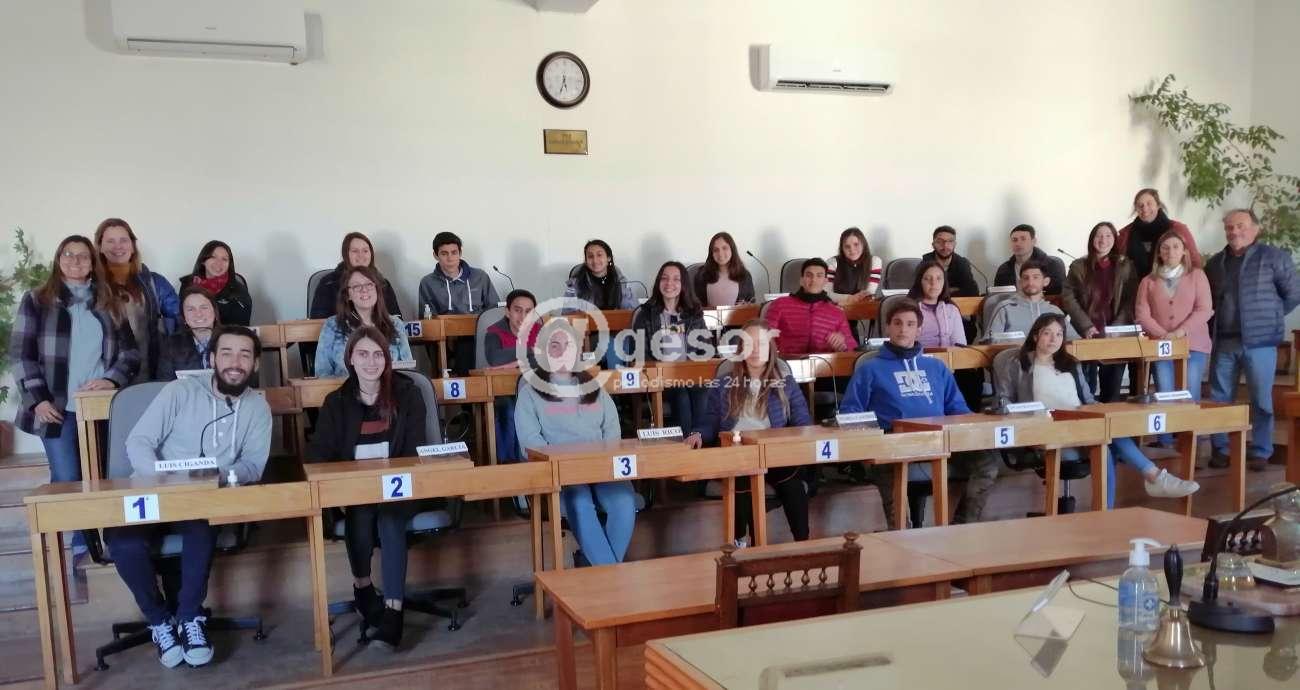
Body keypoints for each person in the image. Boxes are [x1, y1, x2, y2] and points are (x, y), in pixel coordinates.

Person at [104, 325, 270, 669]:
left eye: (244, 355)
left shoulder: (257, 407)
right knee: (123, 543)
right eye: (226, 353)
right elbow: (139, 442)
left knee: (201, 528)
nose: (235, 362)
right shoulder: (180, 391)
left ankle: (190, 617)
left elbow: (254, 465)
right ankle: (159, 621)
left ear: (255, 364)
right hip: (152, 491)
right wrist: (162, 481)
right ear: (212, 359)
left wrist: (218, 477)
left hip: (203, 499)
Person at [11, 235, 139, 558]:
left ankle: (102, 538)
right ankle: (80, 542)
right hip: (55, 407)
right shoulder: (37, 300)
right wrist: (38, 399)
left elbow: (130, 354)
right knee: (68, 476)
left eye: (83, 256)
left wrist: (110, 379)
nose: (75, 261)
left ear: (93, 264)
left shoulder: (110, 301)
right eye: (68, 254)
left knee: (103, 474)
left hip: (100, 408)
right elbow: (21, 355)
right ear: (59, 259)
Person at [993, 314, 1199, 507]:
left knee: (1107, 434)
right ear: (1036, 336)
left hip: (1079, 421)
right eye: (1047, 333)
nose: (1053, 339)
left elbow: (1088, 399)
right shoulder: (1018, 364)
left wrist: (1101, 411)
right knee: (1104, 442)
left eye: (1059, 334)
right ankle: (1152, 479)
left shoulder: (1070, 363)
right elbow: (1004, 400)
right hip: (1045, 428)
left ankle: (1116, 503)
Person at [307, 327, 428, 649]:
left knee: (389, 517)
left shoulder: (408, 394)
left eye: (378, 355)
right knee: (360, 512)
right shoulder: (336, 402)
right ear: (350, 359)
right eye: (363, 354)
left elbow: (415, 450)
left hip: (402, 488)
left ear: (387, 360)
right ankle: (363, 588)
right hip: (357, 490)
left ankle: (393, 612)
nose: (371, 362)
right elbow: (318, 455)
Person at [840, 298, 1000, 527]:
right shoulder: (870, 369)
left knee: (987, 463)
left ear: (919, 330)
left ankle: (961, 526)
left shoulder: (936, 367)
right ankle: (900, 535)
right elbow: (850, 412)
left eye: (910, 324)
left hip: (940, 439)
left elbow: (958, 409)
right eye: (897, 323)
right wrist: (875, 437)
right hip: (892, 443)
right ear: (887, 327)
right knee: (888, 476)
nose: (903, 329)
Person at [515, 325, 634, 567]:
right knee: (580, 504)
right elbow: (530, 443)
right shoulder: (529, 393)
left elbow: (612, 431)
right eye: (554, 346)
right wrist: (566, 466)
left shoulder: (595, 388)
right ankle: (610, 576)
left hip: (602, 469)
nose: (561, 353)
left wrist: (603, 461)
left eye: (567, 346)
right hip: (561, 475)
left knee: (624, 502)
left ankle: (593, 566)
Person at [686, 319, 812, 544]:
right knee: (743, 484)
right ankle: (743, 542)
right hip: (737, 452)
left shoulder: (785, 382)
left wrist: (806, 437)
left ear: (770, 349)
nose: (755, 350)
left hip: (774, 453)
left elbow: (802, 419)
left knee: (793, 485)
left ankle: (804, 544)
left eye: (760, 344)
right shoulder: (723, 384)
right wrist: (698, 434)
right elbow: (710, 420)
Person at [1205, 209, 1300, 470]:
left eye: (1240, 226)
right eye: (1229, 227)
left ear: (1256, 229)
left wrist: (1270, 316)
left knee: (1261, 400)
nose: (1234, 231)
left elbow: (1294, 294)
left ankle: (1261, 451)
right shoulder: (1215, 264)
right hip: (1224, 342)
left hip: (1261, 343)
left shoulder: (1275, 258)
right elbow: (1208, 302)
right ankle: (1221, 449)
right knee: (1219, 399)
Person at [1135, 231, 1213, 409]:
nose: (1170, 251)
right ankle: (1168, 429)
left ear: (1184, 251)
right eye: (1165, 248)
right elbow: (1142, 315)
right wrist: (1164, 335)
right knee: (1165, 395)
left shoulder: (1197, 276)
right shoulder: (1148, 281)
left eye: (1176, 247)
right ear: (1159, 252)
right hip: (1161, 345)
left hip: (1193, 344)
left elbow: (1204, 309)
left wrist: (1179, 332)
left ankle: (1190, 427)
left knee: (1190, 395)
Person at [1061, 222, 1138, 401]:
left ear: (1115, 240)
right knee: (1084, 390)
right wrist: (1086, 326)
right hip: (1086, 333)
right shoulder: (1078, 266)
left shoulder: (1125, 266)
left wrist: (1117, 328)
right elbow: (1068, 297)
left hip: (1115, 335)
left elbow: (1130, 299)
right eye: (1099, 235)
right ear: (1092, 239)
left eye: (1108, 235)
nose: (1103, 240)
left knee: (1111, 392)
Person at [633, 262, 712, 434]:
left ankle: (700, 439)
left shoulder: (693, 313)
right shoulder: (645, 314)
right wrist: (660, 371)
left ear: (684, 285)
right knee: (680, 394)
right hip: (662, 377)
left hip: (691, 374)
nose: (669, 283)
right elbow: (640, 353)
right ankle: (684, 444)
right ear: (658, 282)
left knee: (703, 391)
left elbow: (705, 348)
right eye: (665, 278)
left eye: (676, 279)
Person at [95, 218, 179, 381]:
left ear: (133, 246)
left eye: (123, 240)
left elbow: (180, 322)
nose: (118, 246)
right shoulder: (91, 286)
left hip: (151, 375)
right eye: (110, 241)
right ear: (100, 247)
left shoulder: (155, 283)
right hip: (105, 379)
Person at [908, 260, 982, 409]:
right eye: (928, 279)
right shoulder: (910, 309)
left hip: (950, 365)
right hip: (921, 364)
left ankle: (967, 417)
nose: (933, 283)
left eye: (938, 278)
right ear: (919, 282)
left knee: (973, 376)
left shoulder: (951, 309)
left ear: (944, 283)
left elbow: (960, 344)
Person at [315, 266, 412, 377]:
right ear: (348, 295)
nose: (364, 290)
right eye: (357, 286)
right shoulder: (332, 325)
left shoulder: (395, 324)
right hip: (346, 387)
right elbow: (321, 374)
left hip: (390, 386)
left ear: (377, 290)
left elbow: (408, 371)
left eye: (369, 285)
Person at [484, 289, 542, 465]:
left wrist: (516, 361)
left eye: (528, 311)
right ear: (508, 312)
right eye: (517, 310)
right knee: (508, 410)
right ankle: (509, 464)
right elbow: (495, 358)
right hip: (505, 392)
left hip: (538, 390)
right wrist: (531, 352)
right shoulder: (494, 332)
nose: (523, 316)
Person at [764, 258, 857, 356]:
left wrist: (842, 346)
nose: (813, 280)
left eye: (819, 276)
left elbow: (851, 350)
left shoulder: (837, 313)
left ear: (825, 281)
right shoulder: (780, 305)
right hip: (786, 362)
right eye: (809, 275)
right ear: (801, 280)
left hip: (826, 364)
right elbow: (764, 337)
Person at [310, 232, 402, 320]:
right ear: (346, 254)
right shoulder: (328, 283)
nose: (361, 255)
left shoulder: (383, 284)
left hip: (380, 331)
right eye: (355, 251)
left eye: (365, 251)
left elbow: (397, 320)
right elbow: (317, 323)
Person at [984, 261, 1079, 340]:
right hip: (1014, 355)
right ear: (1020, 282)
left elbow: (1075, 341)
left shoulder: (1055, 311)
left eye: (1035, 277)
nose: (1030, 282)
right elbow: (989, 342)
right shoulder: (1004, 308)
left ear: (1046, 281)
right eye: (1026, 278)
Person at [1117, 188, 1202, 277]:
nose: (1145, 209)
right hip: (1135, 284)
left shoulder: (1178, 229)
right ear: (1136, 209)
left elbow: (1194, 262)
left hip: (1173, 283)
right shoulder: (1126, 233)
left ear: (1158, 205)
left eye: (1149, 203)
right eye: (1140, 205)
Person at [177, 241, 252, 326]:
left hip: (225, 333)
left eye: (224, 259)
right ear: (203, 261)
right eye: (213, 257)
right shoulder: (188, 284)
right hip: (192, 333)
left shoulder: (238, 291)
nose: (219, 263)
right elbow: (181, 317)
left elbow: (241, 327)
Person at [157, 287, 221, 380]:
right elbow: (164, 383)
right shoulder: (171, 345)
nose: (198, 314)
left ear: (215, 312)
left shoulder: (232, 340)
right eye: (190, 309)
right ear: (184, 317)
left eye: (204, 307)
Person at [562, 239, 638, 310]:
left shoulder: (620, 280)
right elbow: (568, 313)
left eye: (599, 255)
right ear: (586, 261)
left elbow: (632, 310)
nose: (595, 260)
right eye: (590, 256)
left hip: (617, 320)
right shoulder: (575, 284)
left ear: (608, 258)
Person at [993, 224, 1065, 295]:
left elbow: (1058, 296)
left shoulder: (1053, 265)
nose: (1018, 244)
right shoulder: (1004, 269)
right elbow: (998, 297)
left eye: (1023, 239)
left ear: (1033, 241)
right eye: (1014, 240)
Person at [693, 232, 756, 307]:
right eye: (716, 250)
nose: (720, 254)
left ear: (732, 250)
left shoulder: (745, 275)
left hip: (738, 315)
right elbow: (695, 305)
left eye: (724, 248)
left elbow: (751, 303)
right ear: (711, 253)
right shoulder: (701, 275)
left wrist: (746, 306)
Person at [826, 227, 883, 304]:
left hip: (863, 306)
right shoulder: (832, 263)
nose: (852, 250)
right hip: (837, 307)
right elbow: (827, 294)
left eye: (856, 244)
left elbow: (869, 293)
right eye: (847, 246)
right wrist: (850, 298)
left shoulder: (875, 261)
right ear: (842, 248)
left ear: (863, 244)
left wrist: (849, 299)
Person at [921, 226, 981, 297]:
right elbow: (918, 291)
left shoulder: (962, 263)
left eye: (950, 241)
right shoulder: (925, 263)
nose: (945, 246)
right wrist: (953, 290)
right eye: (940, 241)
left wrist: (937, 291)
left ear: (955, 244)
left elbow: (973, 292)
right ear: (933, 244)